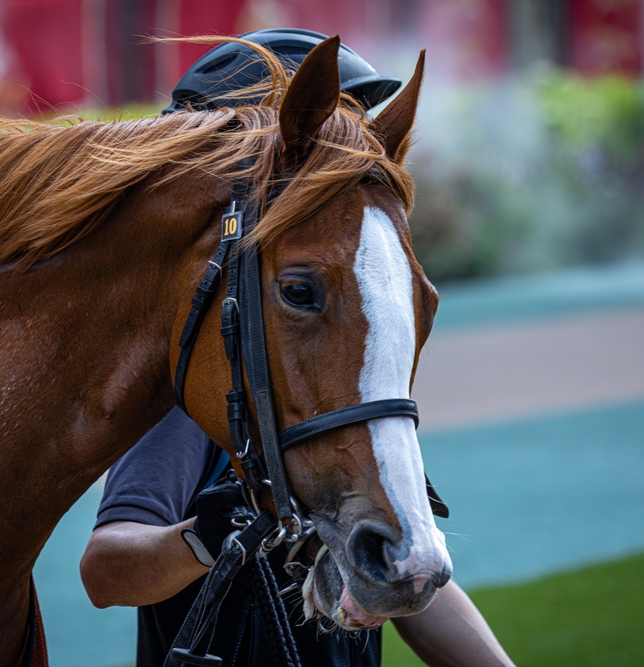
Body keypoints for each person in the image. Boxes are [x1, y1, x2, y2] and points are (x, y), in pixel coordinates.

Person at [80, 30, 516, 667]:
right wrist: (212, 534)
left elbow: (402, 561)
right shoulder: (205, 386)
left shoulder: (332, 380)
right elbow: (105, 570)